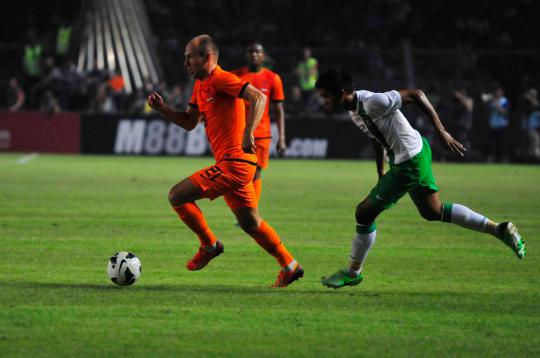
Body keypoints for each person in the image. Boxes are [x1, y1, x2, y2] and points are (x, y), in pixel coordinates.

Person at [314, 69, 525, 289]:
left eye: (326, 97)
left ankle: (352, 272)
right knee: (433, 211)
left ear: (341, 93)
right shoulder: (355, 112)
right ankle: (499, 230)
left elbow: (416, 94)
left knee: (364, 213)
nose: (324, 102)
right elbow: (374, 136)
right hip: (416, 152)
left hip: (409, 163)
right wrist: (380, 170)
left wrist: (442, 132)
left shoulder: (373, 102)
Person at [148, 35, 303, 287]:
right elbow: (189, 123)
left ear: (207, 58)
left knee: (177, 195)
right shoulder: (200, 86)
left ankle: (209, 245)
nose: (185, 62)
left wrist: (248, 131)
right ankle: (290, 265)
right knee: (250, 222)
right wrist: (164, 109)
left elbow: (258, 98)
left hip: (235, 163)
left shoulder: (221, 78)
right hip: (234, 164)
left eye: (190, 57)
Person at [232, 43, 286, 204]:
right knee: (238, 172)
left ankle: (250, 209)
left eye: (257, 52)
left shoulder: (273, 79)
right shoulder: (235, 76)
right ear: (246, 55)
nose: (254, 55)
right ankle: (244, 209)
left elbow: (279, 110)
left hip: (261, 134)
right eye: (251, 52)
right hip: (238, 133)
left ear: (263, 56)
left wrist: (281, 138)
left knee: (255, 173)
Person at [486, 86, 510, 162]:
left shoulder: (504, 101)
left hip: (502, 126)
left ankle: (503, 160)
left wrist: (497, 105)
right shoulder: (492, 101)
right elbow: (488, 110)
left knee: (502, 144)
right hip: (493, 125)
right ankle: (490, 160)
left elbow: (504, 112)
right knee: (492, 144)